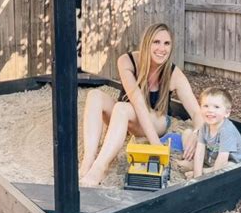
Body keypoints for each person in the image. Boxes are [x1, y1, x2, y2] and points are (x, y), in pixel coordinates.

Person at [79, 23, 203, 187]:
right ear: (147, 42)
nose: (161, 48)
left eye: (167, 43)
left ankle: (99, 168)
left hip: (156, 122)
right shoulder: (127, 61)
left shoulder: (174, 73)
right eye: (156, 42)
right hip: (125, 117)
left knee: (123, 107)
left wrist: (196, 132)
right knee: (95, 95)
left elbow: (196, 112)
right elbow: (136, 100)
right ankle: (88, 160)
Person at [183, 87, 241, 178]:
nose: (210, 110)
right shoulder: (204, 126)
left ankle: (205, 171)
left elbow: (222, 160)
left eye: (216, 107)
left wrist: (203, 176)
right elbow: (200, 152)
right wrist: (197, 176)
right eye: (206, 106)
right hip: (211, 157)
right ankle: (200, 168)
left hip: (228, 160)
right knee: (187, 133)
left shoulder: (226, 130)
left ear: (227, 113)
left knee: (231, 166)